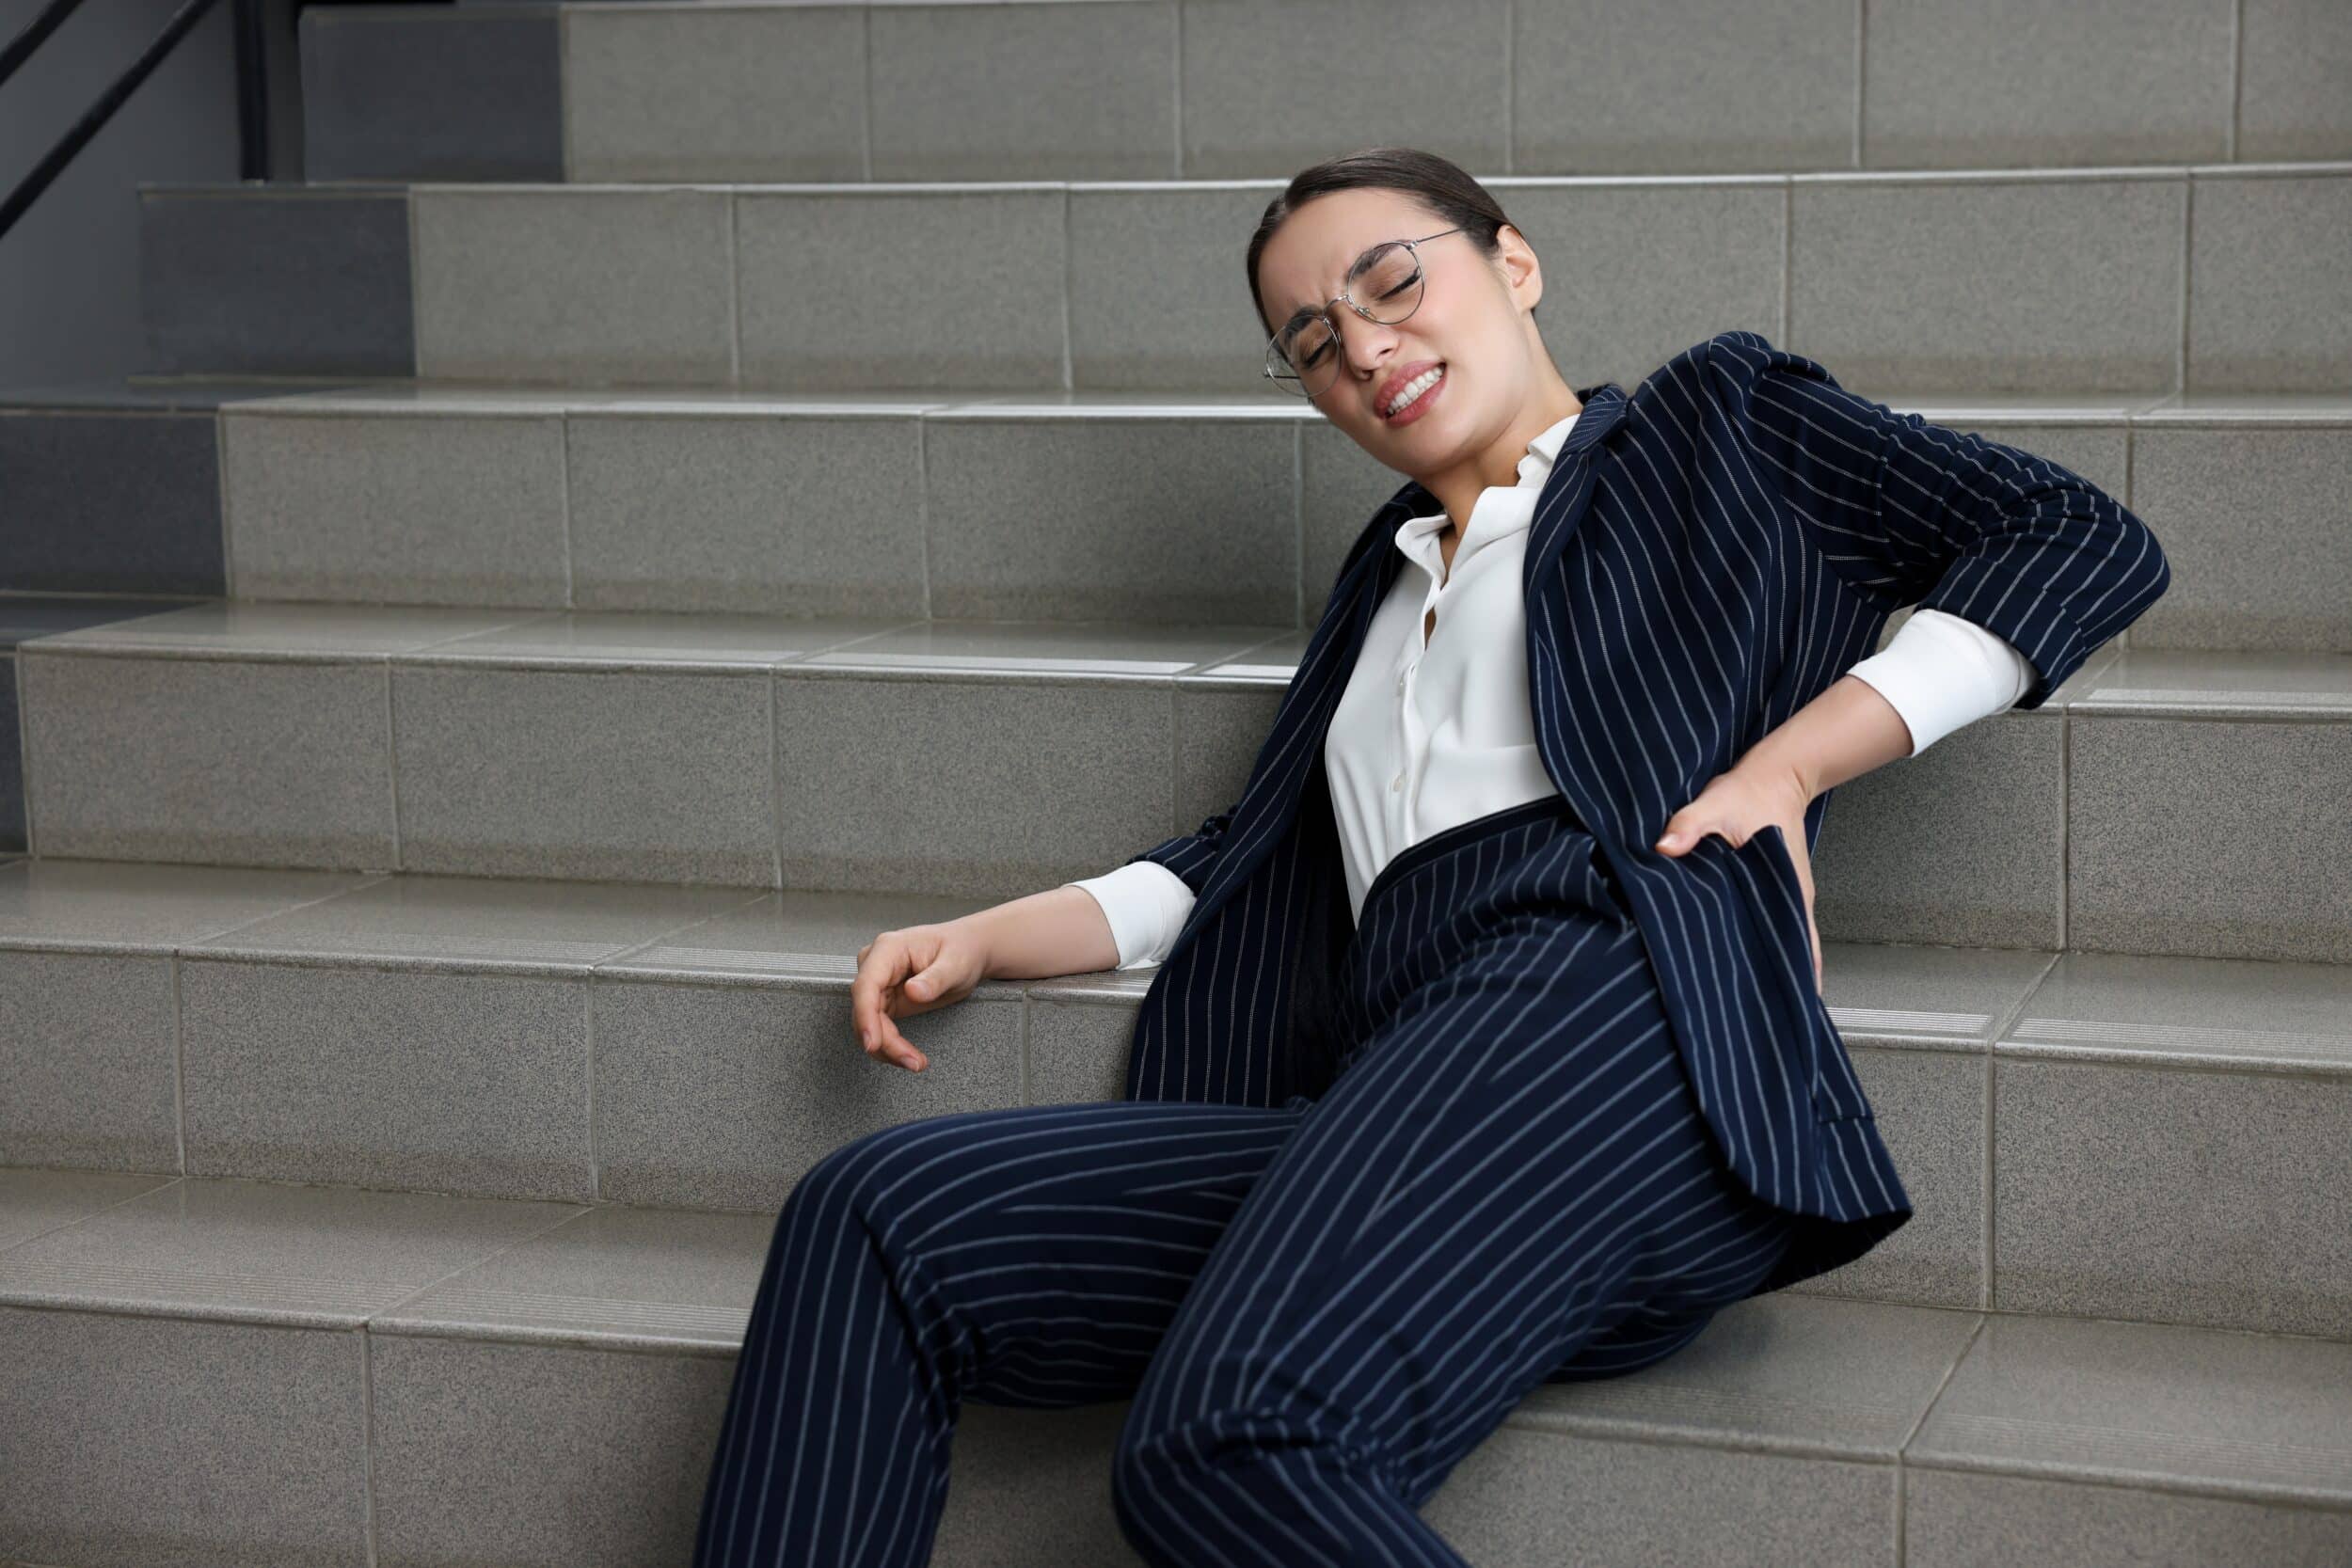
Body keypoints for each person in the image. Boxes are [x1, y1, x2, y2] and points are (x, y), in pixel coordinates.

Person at [693, 146, 2168, 1567]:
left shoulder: (1715, 430)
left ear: (1514, 262)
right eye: (1313, 342)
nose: (1363, 347)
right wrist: (988, 938)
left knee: (1231, 1444)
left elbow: (2078, 534)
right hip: (1401, 1087)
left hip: (1597, 1016)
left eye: (1393, 282)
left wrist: (1791, 765)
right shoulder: (1383, 581)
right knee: (876, 1217)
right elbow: (1257, 855)